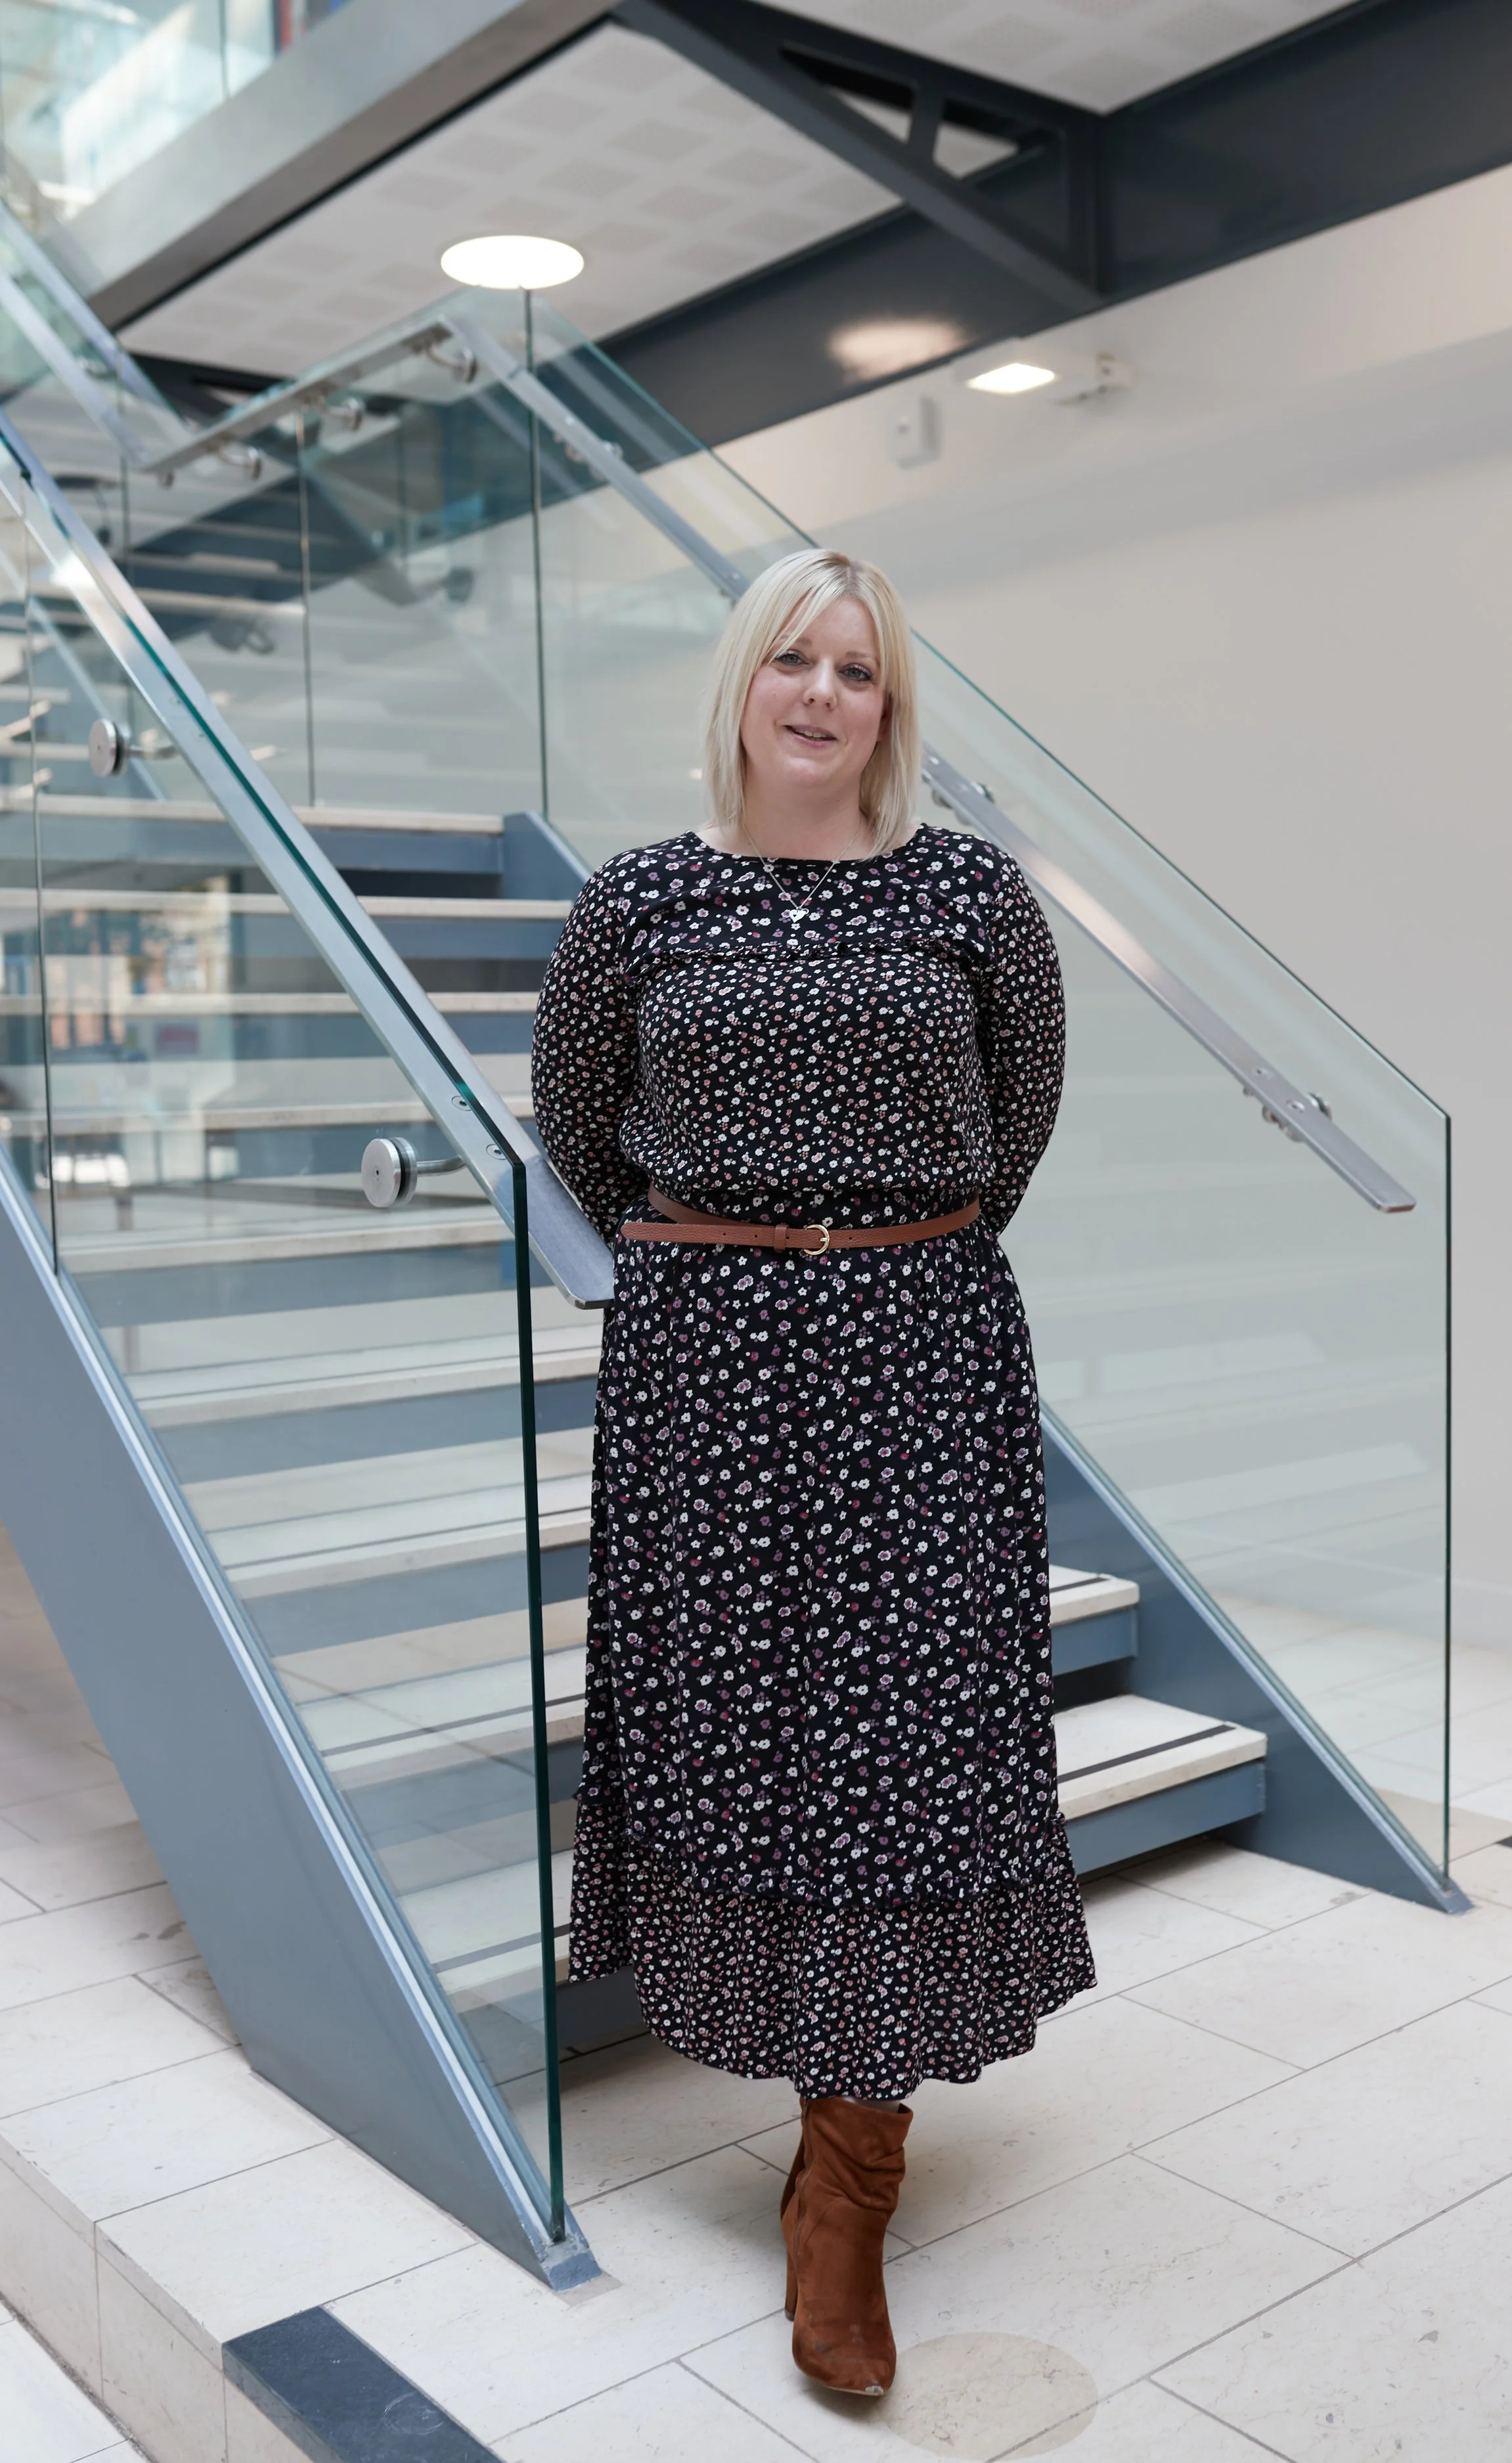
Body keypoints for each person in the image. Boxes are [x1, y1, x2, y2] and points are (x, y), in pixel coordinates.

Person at [531, 546, 1093, 2398]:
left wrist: (873, 1250)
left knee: (911, 1746)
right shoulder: (636, 900)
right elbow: (580, 1134)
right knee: (744, 1730)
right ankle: (792, 2065)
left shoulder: (968, 892)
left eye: (857, 669)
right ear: (740, 684)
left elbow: (1015, 1123)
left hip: (920, 1355)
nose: (822, 693)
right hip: (706, 1365)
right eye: (793, 658)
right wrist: (742, 1251)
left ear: (889, 705)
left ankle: (847, 2180)